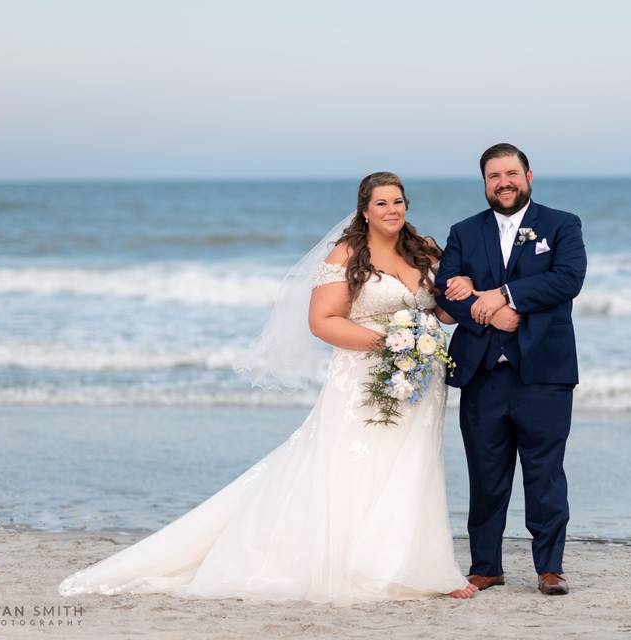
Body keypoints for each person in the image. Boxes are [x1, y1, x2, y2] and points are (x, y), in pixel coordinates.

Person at [58, 172, 478, 603]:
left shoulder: (424, 249)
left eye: (398, 202)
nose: (392, 210)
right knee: (352, 465)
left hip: (421, 380)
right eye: (382, 203)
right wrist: (391, 343)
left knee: (413, 466)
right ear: (365, 211)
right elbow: (322, 322)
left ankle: (416, 567)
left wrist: (461, 293)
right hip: (364, 376)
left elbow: (442, 311)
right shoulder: (348, 254)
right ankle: (354, 563)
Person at [435, 143, 587, 595]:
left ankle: (549, 568)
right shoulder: (464, 232)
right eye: (494, 176)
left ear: (528, 176)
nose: (503, 182)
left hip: (544, 373)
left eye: (511, 173)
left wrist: (500, 295)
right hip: (482, 374)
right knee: (485, 475)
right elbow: (445, 294)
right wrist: (486, 311)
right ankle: (486, 567)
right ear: (484, 183)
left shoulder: (561, 225)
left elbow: (567, 280)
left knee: (545, 473)